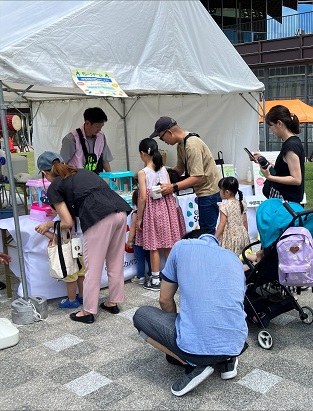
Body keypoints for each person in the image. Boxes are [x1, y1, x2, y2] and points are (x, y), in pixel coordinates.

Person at [133, 229, 248, 397]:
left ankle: (195, 364)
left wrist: (177, 324)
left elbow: (164, 299)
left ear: (189, 240)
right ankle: (227, 362)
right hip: (237, 344)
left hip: (197, 348)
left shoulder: (181, 247)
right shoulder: (233, 258)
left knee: (141, 315)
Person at [35, 151, 131, 324]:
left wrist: (48, 225)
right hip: (120, 212)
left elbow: (67, 222)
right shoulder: (79, 171)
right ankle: (113, 302)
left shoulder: (54, 186)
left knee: (92, 268)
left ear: (44, 172)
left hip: (99, 217)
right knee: (115, 262)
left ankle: (88, 311)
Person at [150, 116, 221, 234]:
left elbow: (197, 177)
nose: (164, 142)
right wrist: (159, 172)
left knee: (207, 231)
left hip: (209, 192)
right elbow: (179, 169)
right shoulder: (181, 144)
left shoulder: (192, 145)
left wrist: (172, 187)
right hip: (203, 191)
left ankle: (210, 251)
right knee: (204, 229)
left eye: (162, 138)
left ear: (169, 132)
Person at [135, 138, 185, 291]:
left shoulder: (143, 173)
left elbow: (143, 197)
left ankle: (155, 279)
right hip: (167, 209)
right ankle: (171, 276)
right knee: (168, 243)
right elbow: (170, 189)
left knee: (154, 245)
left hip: (152, 210)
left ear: (143, 154)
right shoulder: (164, 170)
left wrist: (140, 217)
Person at [254, 105, 304, 203]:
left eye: (271, 126)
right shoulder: (292, 143)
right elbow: (284, 170)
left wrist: (269, 177)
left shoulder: (290, 146)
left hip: (286, 202)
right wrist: (263, 161)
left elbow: (296, 179)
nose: (271, 130)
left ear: (279, 123)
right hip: (286, 200)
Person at [60, 107, 113, 174]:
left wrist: (112, 178)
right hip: (76, 180)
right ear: (87, 123)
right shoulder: (71, 139)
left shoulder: (101, 137)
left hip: (94, 178)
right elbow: (61, 164)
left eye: (101, 127)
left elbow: (105, 160)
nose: (99, 130)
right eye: (97, 127)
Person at [215, 177, 250, 256]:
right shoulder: (242, 203)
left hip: (230, 237)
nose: (219, 192)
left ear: (226, 192)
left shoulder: (224, 205)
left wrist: (215, 237)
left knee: (230, 257)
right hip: (242, 234)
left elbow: (222, 224)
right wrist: (245, 234)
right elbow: (245, 221)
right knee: (242, 256)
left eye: (220, 190)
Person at [127, 188, 152, 285]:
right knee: (150, 258)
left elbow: (133, 228)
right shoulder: (150, 213)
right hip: (149, 240)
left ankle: (140, 276)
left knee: (140, 259)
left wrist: (129, 241)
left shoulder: (136, 214)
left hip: (138, 242)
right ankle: (151, 274)